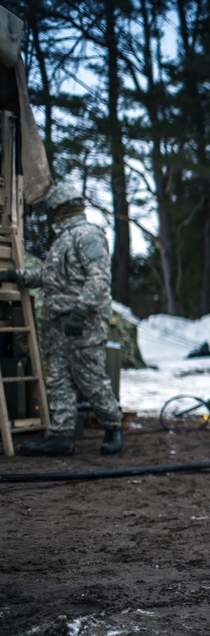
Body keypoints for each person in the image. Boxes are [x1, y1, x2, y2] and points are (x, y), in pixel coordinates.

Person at [0, 184, 124, 457]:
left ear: (60, 208)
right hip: (58, 323)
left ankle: (114, 426)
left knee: (90, 379)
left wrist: (80, 312)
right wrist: (16, 276)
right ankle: (60, 436)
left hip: (84, 323)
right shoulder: (63, 239)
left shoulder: (88, 235)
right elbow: (50, 277)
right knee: (58, 379)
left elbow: (99, 278)